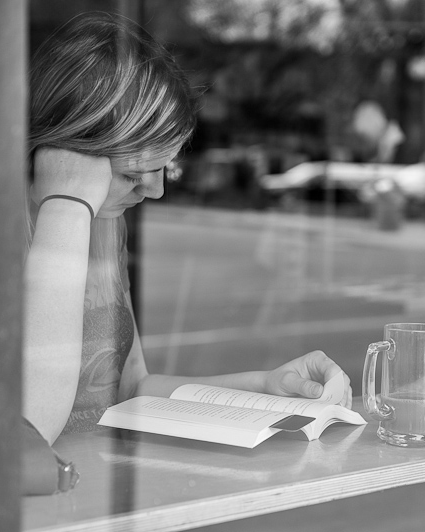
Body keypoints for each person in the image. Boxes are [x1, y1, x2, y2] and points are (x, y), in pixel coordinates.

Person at [24, 12, 351, 445]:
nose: (156, 191)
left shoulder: (104, 224)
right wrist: (67, 207)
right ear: (65, 158)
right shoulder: (9, 234)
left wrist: (264, 387)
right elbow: (29, 431)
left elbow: (130, 390)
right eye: (132, 174)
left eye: (166, 168)